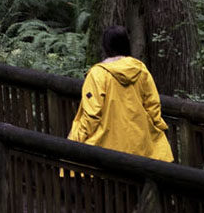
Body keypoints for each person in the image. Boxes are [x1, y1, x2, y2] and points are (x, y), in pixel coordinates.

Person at [67, 26, 173, 161]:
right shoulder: (140, 69)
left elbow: (92, 114)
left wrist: (75, 139)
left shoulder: (98, 74)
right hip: (140, 145)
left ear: (105, 46)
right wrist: (158, 129)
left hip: (107, 147)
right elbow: (153, 105)